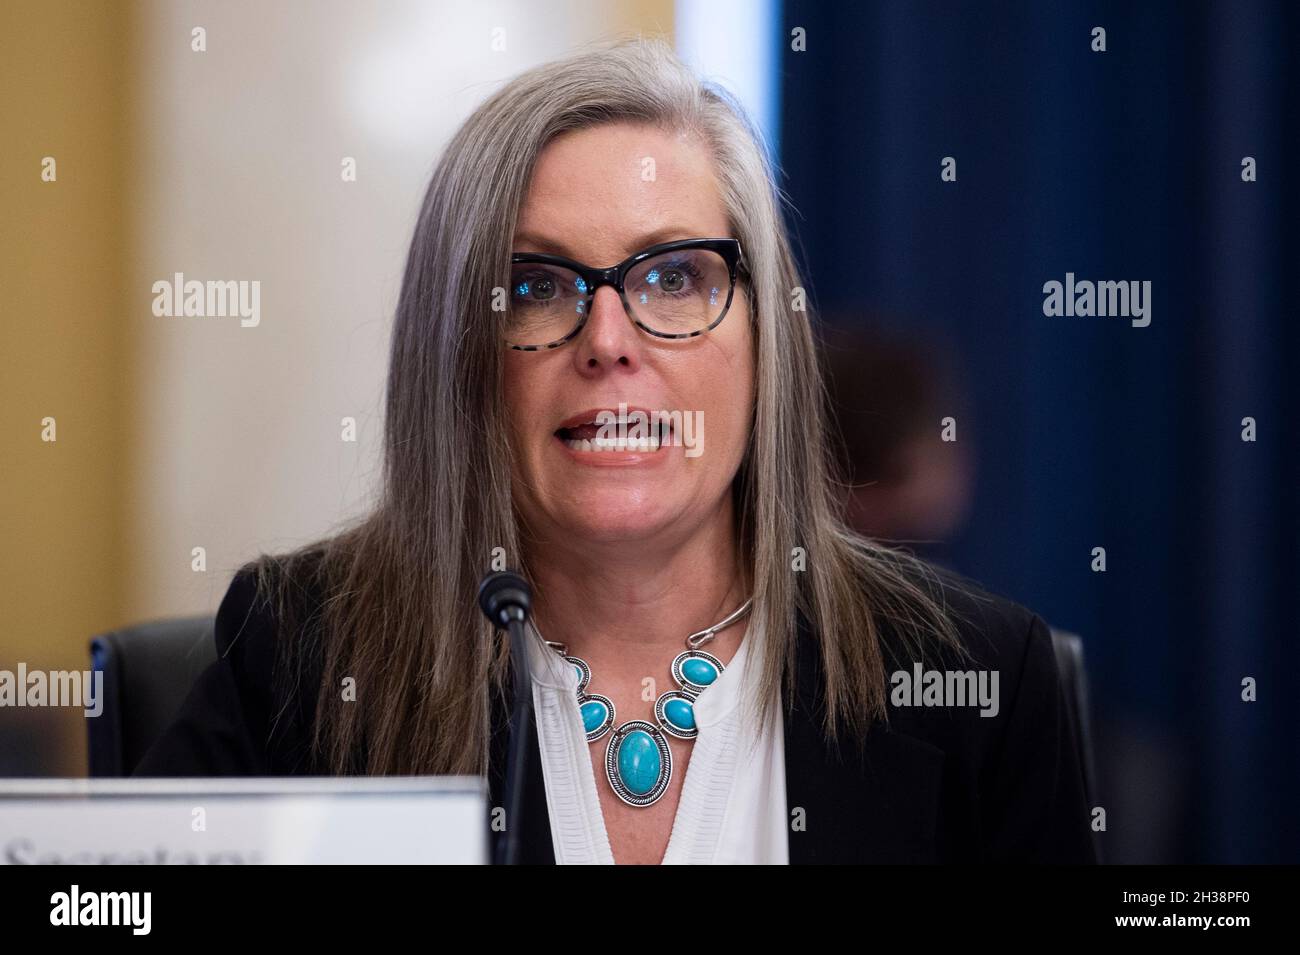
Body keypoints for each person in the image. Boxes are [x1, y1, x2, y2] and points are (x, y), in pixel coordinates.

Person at [137, 38, 1096, 865]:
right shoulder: (299, 656)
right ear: (458, 357)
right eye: (537, 286)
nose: (608, 339)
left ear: (768, 337)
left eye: (674, 276)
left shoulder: (979, 682)